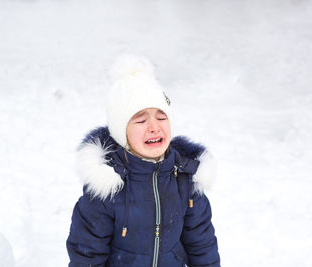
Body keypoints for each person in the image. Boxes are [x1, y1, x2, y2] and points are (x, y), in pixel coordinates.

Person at [66, 55, 220, 267]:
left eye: (161, 117)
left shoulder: (186, 179)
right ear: (122, 132)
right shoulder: (106, 189)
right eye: (140, 120)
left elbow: (202, 246)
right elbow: (87, 255)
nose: (154, 126)